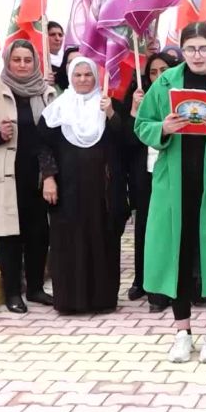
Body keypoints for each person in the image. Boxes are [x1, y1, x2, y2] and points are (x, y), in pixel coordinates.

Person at [134, 22, 206, 363]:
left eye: (203, 48)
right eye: (190, 49)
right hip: (175, 184)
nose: (197, 55)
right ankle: (182, 331)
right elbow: (142, 124)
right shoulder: (165, 82)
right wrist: (164, 128)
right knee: (179, 255)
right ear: (181, 50)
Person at [0, 40, 55, 313]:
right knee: (10, 237)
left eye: (27, 60)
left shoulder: (47, 94)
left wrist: (51, 174)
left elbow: (52, 138)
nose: (22, 65)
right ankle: (13, 293)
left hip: (38, 177)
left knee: (39, 235)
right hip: (8, 177)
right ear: (8, 61)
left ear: (35, 63)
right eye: (17, 59)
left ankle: (37, 288)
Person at [38, 57, 122, 315]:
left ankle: (103, 300)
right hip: (67, 189)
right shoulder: (58, 108)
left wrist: (110, 114)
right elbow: (42, 145)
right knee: (68, 242)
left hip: (101, 191)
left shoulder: (107, 104)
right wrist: (49, 177)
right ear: (70, 78)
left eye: (88, 75)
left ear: (96, 78)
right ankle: (70, 301)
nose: (84, 80)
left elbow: (126, 141)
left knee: (101, 240)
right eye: (78, 75)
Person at [121, 52, 178, 312]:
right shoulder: (138, 98)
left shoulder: (180, 96)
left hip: (172, 171)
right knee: (145, 227)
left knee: (173, 228)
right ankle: (142, 280)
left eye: (163, 70)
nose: (157, 76)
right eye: (152, 72)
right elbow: (129, 141)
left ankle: (175, 283)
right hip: (144, 173)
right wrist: (134, 110)